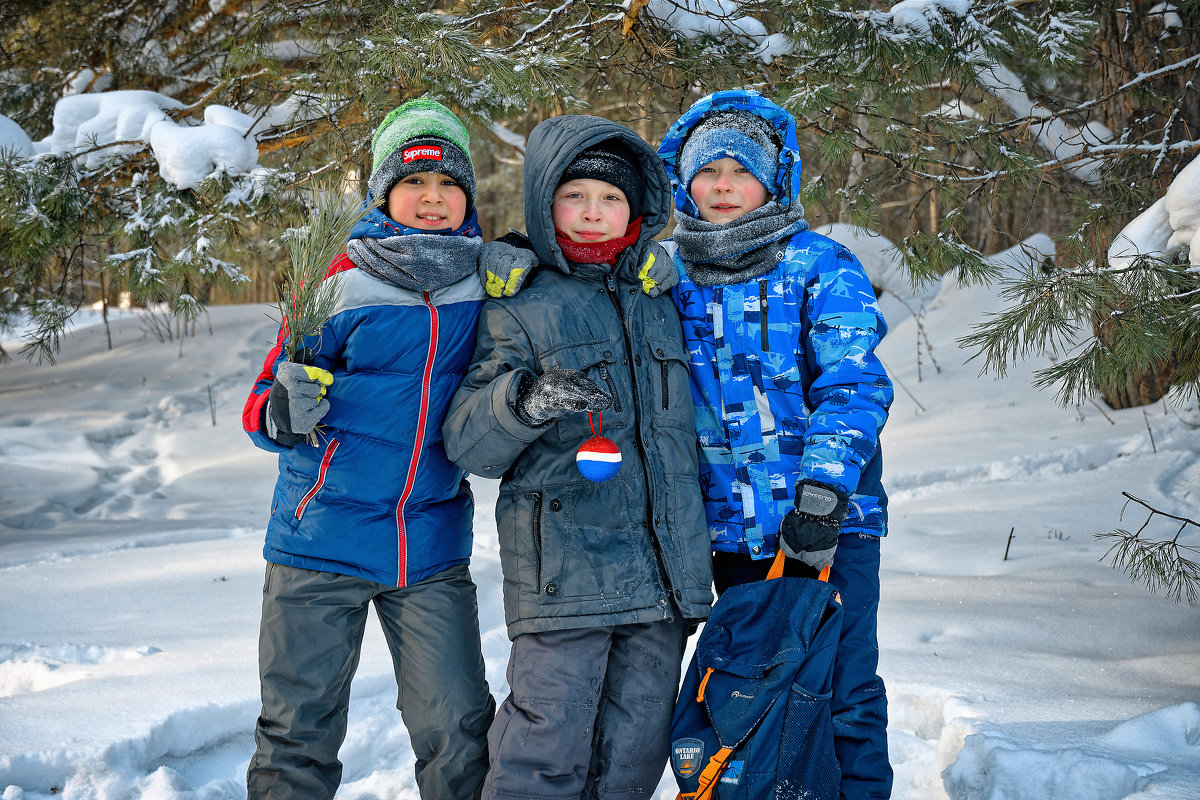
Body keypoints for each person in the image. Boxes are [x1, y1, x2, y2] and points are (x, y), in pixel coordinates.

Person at [442, 114, 713, 800]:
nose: (593, 214)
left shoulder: (661, 296)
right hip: (566, 578)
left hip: (660, 583)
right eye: (575, 196)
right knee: (542, 759)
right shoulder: (517, 301)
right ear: (544, 202)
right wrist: (526, 398)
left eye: (612, 199)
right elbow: (469, 443)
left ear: (639, 209)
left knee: (632, 764)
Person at [241, 97, 495, 800]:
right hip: (319, 542)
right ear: (385, 191)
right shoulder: (341, 282)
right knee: (298, 730)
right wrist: (282, 410)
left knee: (459, 730)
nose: (434, 197)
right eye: (416, 182)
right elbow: (264, 402)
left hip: (430, 548)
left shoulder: (489, 281)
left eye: (449, 184)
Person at [656, 88, 895, 800]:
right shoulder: (666, 274)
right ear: (684, 182)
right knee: (745, 697)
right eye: (707, 171)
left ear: (774, 179)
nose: (723, 186)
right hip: (728, 533)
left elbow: (854, 384)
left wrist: (822, 495)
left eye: (740, 170)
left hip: (827, 526)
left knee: (840, 685)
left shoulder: (819, 263)